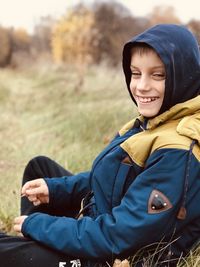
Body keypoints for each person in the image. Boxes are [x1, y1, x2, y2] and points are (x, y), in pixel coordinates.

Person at [0, 23, 199, 267]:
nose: (141, 86)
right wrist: (56, 189)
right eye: (136, 73)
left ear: (184, 75)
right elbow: (112, 178)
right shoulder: (158, 119)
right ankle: (37, 251)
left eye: (158, 75)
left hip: (110, 256)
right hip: (100, 224)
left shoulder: (178, 151)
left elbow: (118, 237)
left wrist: (41, 226)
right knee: (40, 169)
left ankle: (42, 252)